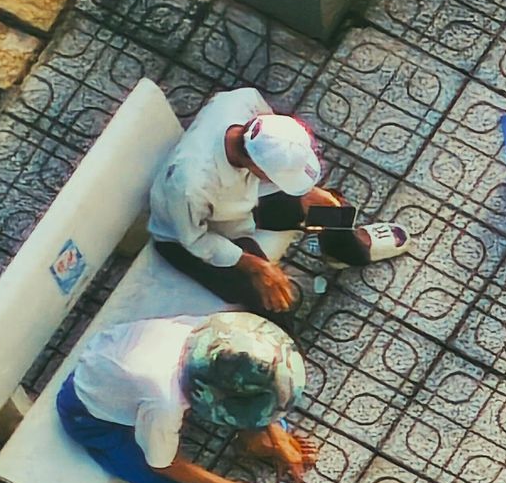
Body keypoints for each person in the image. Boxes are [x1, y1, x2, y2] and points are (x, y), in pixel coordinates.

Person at [56, 310, 315, 483]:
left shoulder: (213, 337)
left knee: (258, 401)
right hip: (91, 412)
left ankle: (255, 440)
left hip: (121, 367)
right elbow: (165, 465)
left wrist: (277, 437)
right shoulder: (164, 403)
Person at [148, 88, 410, 324]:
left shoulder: (244, 101)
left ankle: (345, 250)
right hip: (194, 234)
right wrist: (255, 265)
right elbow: (195, 240)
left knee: (331, 208)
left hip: (246, 194)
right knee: (274, 300)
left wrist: (308, 192)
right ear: (255, 165)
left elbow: (272, 154)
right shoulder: (189, 184)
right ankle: (277, 359)